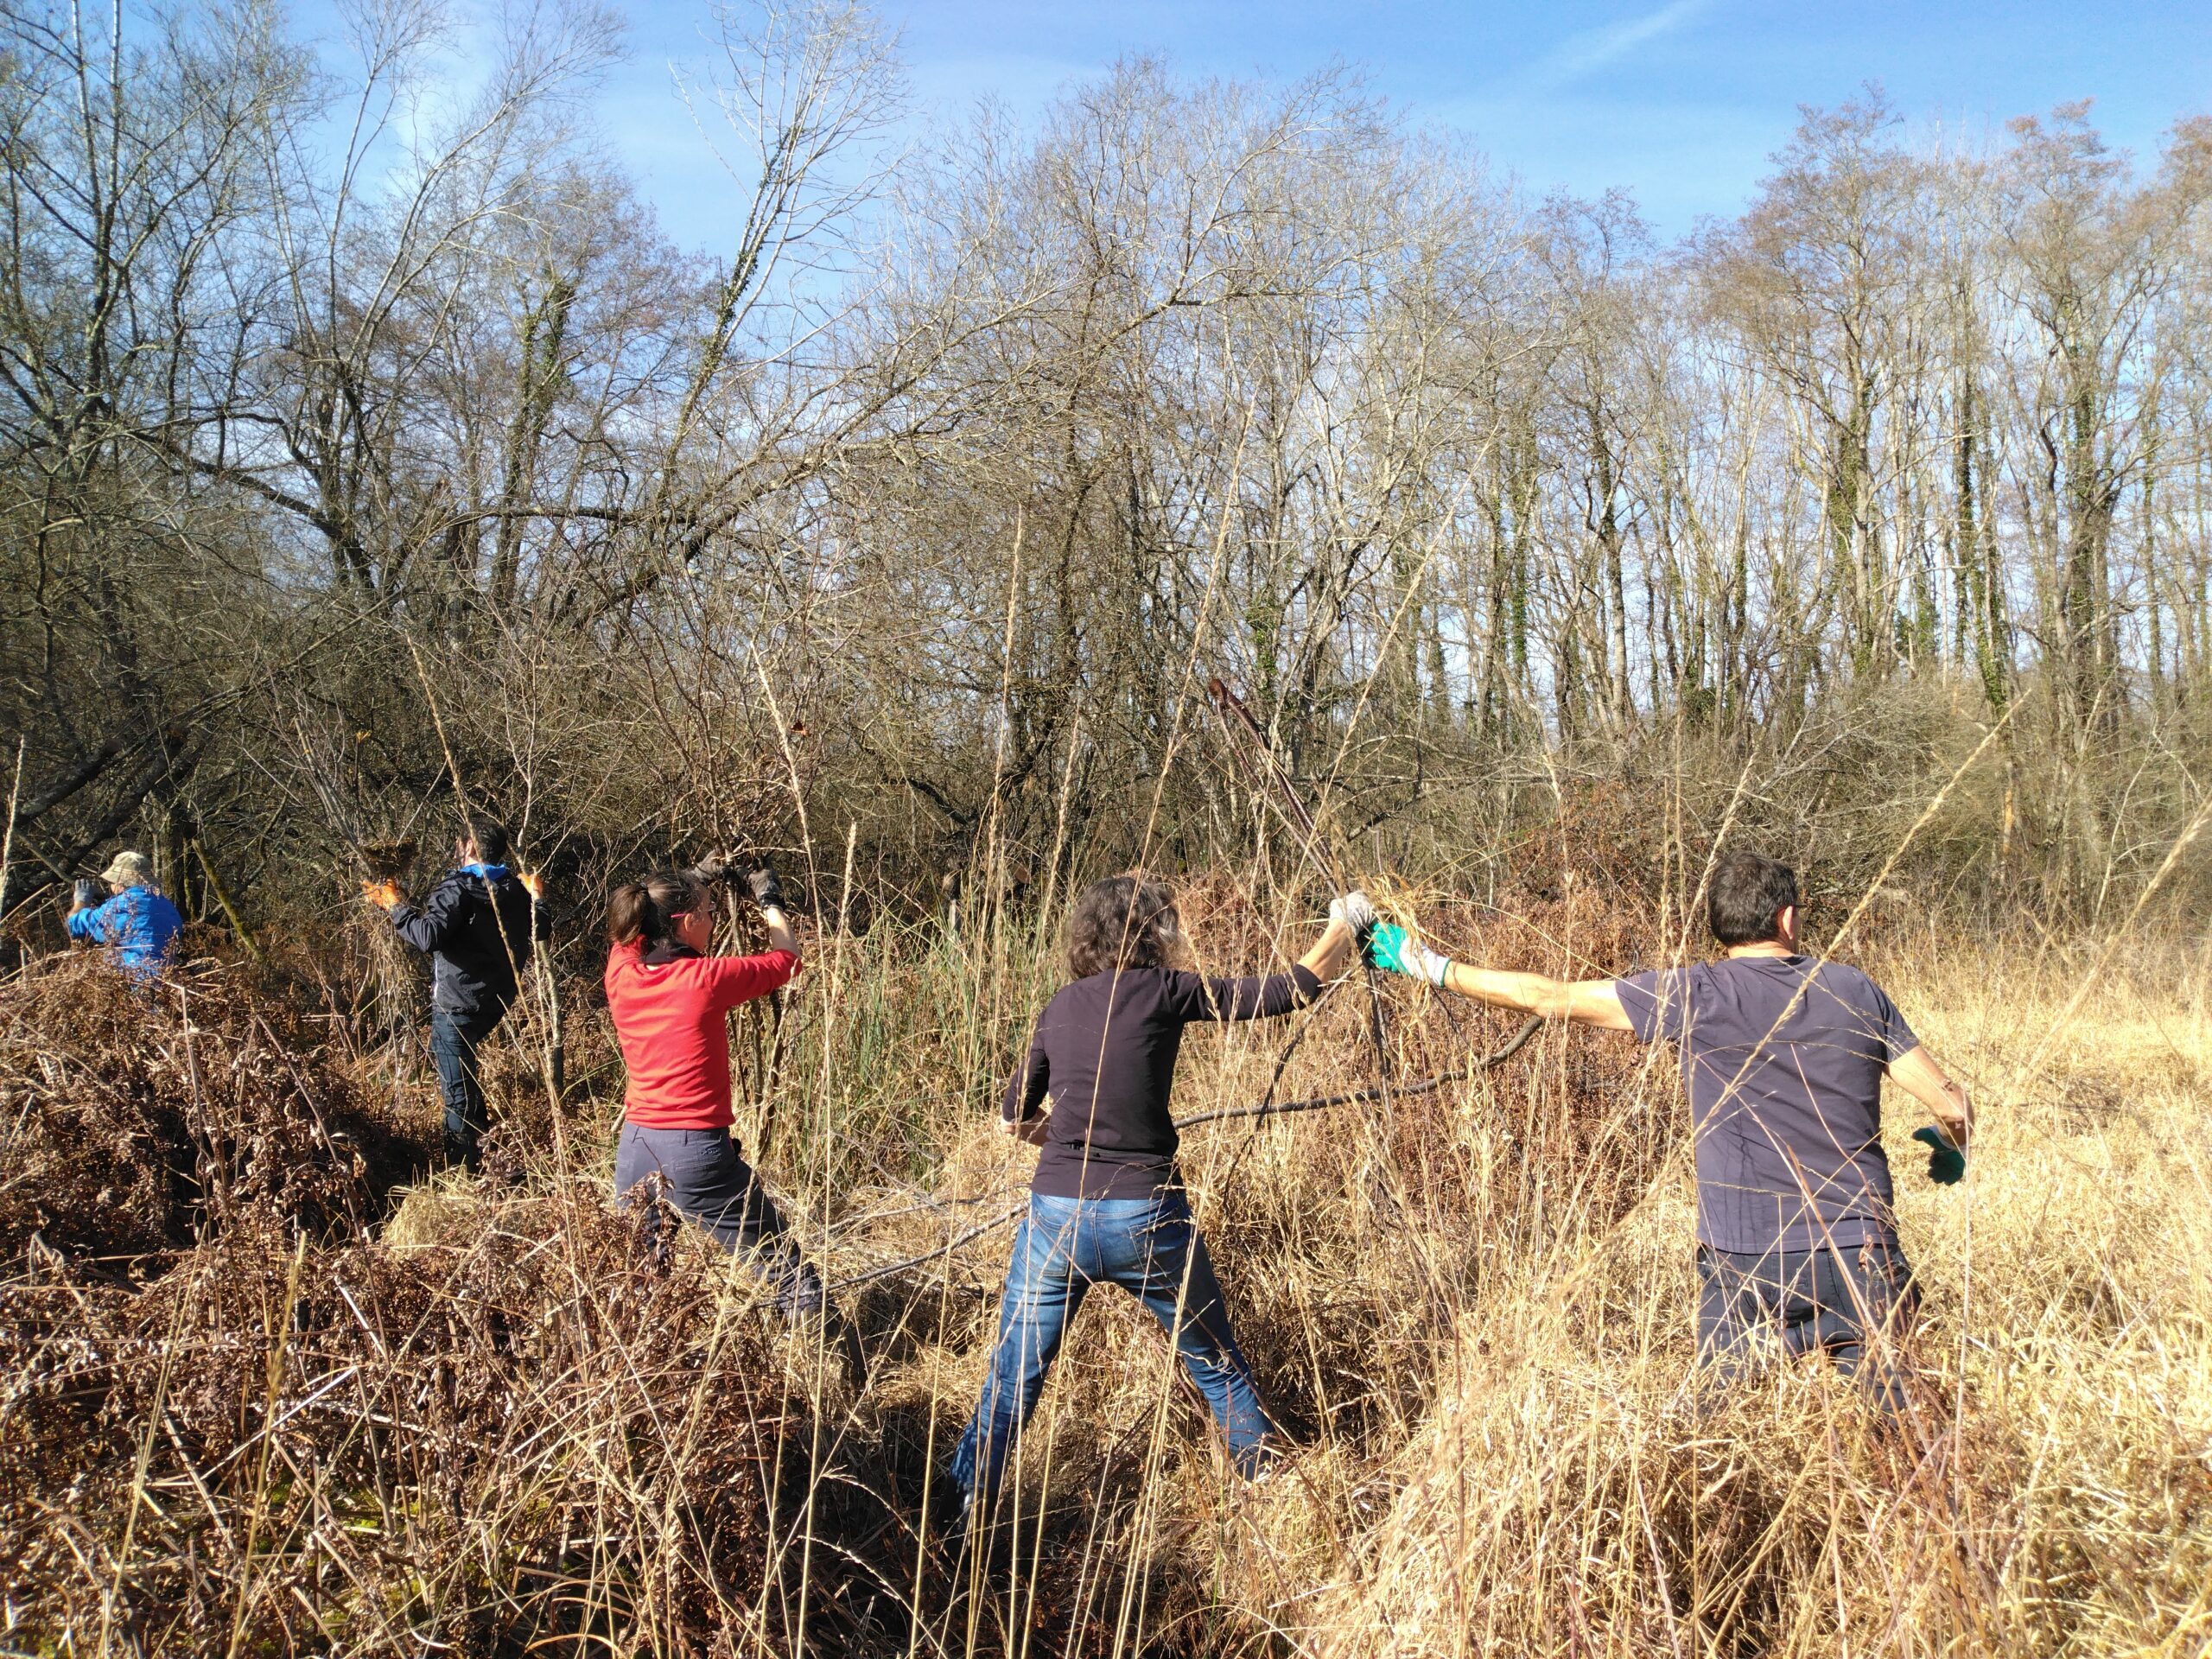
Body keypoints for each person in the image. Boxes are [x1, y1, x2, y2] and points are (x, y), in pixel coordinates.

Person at [1362, 849, 1972, 1416]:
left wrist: (1421, 962)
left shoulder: (1693, 993)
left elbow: (1549, 997)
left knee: (1717, 1434)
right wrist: (1951, 1146)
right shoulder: (1856, 990)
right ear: (1787, 917)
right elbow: (1953, 1105)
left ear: (1720, 926)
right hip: (1860, 1246)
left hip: (1743, 1258)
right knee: (1905, 1437)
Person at [951, 874, 1363, 1524]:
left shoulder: (1059, 1006)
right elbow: (1290, 991)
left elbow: (1009, 1119)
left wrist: (1072, 1138)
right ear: (1155, 934)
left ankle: (964, 1504)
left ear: (1086, 937)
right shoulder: (1169, 991)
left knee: (1013, 1377)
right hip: (1147, 1214)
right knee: (1216, 1364)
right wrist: (1346, 925)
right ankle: (1276, 1500)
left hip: (1056, 1215)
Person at [603, 861, 856, 1367]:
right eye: (708, 913)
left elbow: (630, 936)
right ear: (685, 922)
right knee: (783, 1267)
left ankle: (648, 1379)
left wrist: (695, 876)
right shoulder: (704, 979)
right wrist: (769, 902)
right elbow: (787, 959)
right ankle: (847, 1371)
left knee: (640, 1283)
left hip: (633, 1149)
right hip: (695, 1152)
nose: (714, 923)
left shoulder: (621, 974)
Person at [365, 821, 544, 1171]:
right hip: (494, 1003)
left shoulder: (460, 886)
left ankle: (463, 1175)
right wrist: (536, 895)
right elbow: (542, 927)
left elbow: (429, 936)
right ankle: (488, 1159)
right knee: (465, 1079)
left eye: (460, 845)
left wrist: (395, 907)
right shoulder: (515, 889)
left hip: (456, 1007)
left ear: (470, 848)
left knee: (457, 1097)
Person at [67, 851, 183, 980]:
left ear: (120, 883)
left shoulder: (119, 906)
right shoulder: (166, 905)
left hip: (136, 980)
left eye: (111, 881)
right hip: (169, 977)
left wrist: (81, 900)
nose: (110, 886)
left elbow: (73, 925)